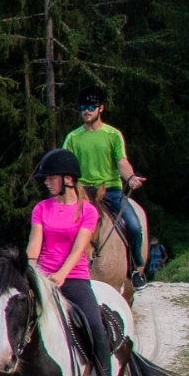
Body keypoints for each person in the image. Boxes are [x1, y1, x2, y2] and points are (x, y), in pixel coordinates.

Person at [27, 147, 123, 376]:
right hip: (43, 276)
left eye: (51, 178)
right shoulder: (41, 209)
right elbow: (35, 244)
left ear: (68, 179)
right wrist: (30, 271)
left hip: (75, 277)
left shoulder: (87, 211)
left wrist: (61, 275)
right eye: (46, 179)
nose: (46, 183)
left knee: (93, 322)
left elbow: (79, 248)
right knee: (10, 312)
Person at [64, 88, 146, 273]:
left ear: (101, 108)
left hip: (111, 191)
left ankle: (135, 269)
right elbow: (66, 166)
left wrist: (130, 177)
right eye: (83, 107)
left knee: (133, 226)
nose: (86, 110)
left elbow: (121, 162)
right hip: (82, 193)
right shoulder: (73, 137)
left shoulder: (113, 135)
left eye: (91, 106)